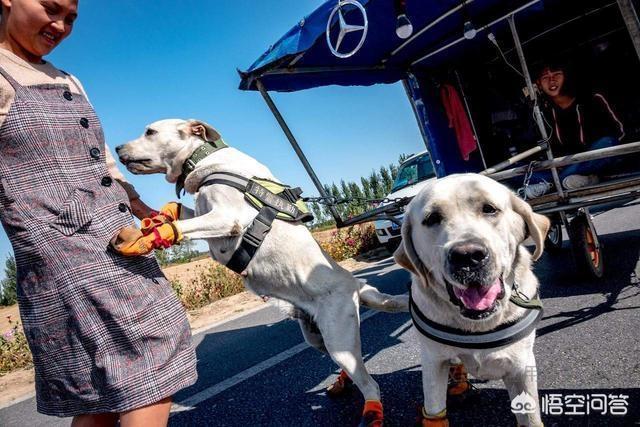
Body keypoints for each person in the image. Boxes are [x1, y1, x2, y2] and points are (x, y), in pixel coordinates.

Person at [0, 1, 196, 425]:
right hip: (62, 245)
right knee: (149, 352)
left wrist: (138, 204)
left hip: (115, 231)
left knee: (104, 385)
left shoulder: (67, 78)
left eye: (70, 18)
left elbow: (100, 160)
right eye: (51, 9)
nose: (61, 25)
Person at [521, 61, 625, 198]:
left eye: (557, 74)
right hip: (566, 165)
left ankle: (550, 185)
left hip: (597, 158)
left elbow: (620, 133)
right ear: (538, 84)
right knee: (519, 169)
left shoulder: (592, 98)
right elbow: (540, 145)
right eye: (545, 77)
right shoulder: (544, 112)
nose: (551, 80)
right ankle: (587, 180)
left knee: (607, 143)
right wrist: (533, 107)